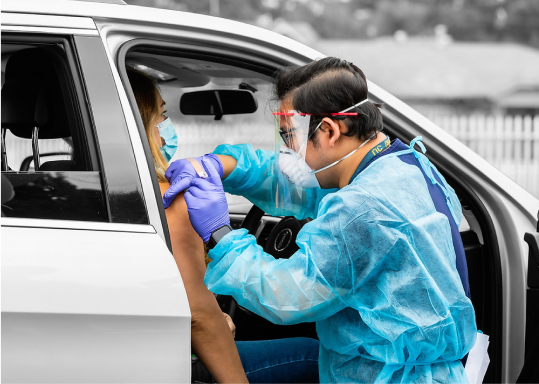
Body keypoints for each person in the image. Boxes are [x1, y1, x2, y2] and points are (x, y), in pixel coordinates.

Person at [163, 57, 478, 383]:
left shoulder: (362, 210)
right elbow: (295, 184)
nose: (288, 150)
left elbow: (284, 296)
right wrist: (223, 166)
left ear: (329, 130)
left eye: (289, 135)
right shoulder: (400, 166)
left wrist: (220, 232)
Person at [127, 68, 320, 384]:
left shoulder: (71, 195)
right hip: (179, 359)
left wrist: (218, 165)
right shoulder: (171, 200)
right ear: (143, 123)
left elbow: (288, 183)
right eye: (161, 115)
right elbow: (198, 319)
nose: (167, 128)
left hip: (143, 351)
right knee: (314, 356)